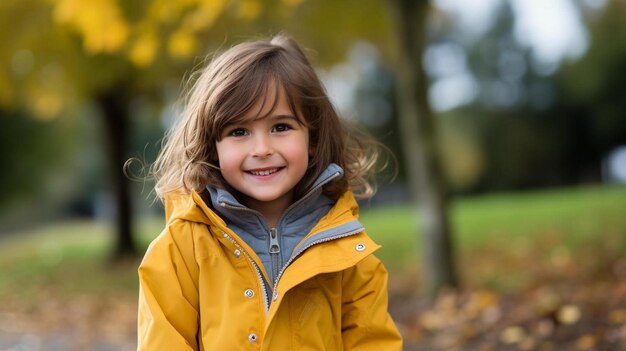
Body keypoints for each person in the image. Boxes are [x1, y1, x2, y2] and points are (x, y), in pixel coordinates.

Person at [137, 34, 403, 350]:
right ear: (213, 146)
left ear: (312, 137)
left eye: (281, 127)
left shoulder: (348, 249)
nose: (262, 149)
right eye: (239, 132)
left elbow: (373, 342)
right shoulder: (180, 248)